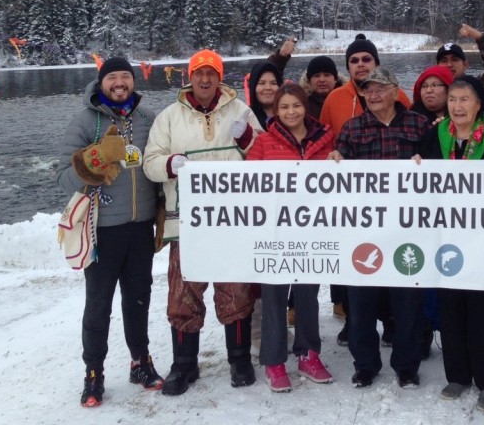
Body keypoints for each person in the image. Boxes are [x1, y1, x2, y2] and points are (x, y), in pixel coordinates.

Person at [143, 49, 262, 395]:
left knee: (235, 289)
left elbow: (262, 155)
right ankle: (184, 364)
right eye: (199, 74)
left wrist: (246, 141)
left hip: (232, 221)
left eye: (211, 73)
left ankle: (239, 358)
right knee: (184, 293)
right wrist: (169, 165)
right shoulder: (168, 117)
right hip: (187, 223)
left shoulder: (241, 111)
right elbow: (150, 162)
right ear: (189, 77)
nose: (205, 79)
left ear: (220, 77)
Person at [57, 57, 163, 408]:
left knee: (138, 300)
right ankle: (93, 373)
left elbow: (160, 166)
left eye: (125, 77)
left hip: (140, 228)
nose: (119, 83)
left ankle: (140, 362)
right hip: (102, 230)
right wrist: (97, 158)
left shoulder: (149, 120)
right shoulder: (86, 121)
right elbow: (63, 177)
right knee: (98, 305)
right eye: (112, 78)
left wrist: (163, 213)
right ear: (102, 83)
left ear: (133, 82)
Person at [414, 76, 484, 411]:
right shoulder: (435, 136)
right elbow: (418, 179)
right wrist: (416, 167)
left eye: (465, 99)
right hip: (446, 237)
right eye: (452, 99)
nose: (457, 106)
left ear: (479, 103)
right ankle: (457, 375)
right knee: (451, 307)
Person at [329, 67, 427, 389]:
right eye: (367, 90)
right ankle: (366, 365)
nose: (373, 95)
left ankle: (407, 365)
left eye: (379, 88)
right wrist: (334, 162)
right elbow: (338, 179)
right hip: (364, 232)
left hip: (408, 230)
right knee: (361, 305)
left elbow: (438, 172)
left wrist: (425, 165)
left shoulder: (418, 124)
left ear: (395, 89)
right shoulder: (352, 128)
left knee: (408, 305)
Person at [247, 83, 335, 391]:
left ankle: (308, 353)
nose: (290, 112)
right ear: (276, 110)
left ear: (305, 106)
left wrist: (337, 161)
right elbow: (249, 188)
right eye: (284, 107)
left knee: (308, 296)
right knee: (273, 297)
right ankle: (274, 361)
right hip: (275, 232)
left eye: (296, 106)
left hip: (313, 230)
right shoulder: (263, 143)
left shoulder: (325, 139)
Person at [319, 33, 410, 136]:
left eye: (366, 59)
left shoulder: (397, 95)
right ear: (348, 68)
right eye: (354, 61)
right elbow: (323, 141)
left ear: (377, 64)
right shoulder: (333, 99)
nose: (360, 64)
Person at [246, 59, 284, 130]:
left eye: (273, 83)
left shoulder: (290, 114)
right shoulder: (246, 118)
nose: (268, 88)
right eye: (262, 83)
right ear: (253, 87)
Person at [302, 55, 341, 119]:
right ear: (309, 81)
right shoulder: (302, 102)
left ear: (335, 79)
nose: (322, 80)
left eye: (327, 75)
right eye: (317, 76)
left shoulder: (351, 98)